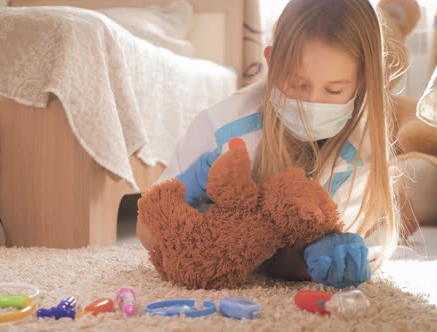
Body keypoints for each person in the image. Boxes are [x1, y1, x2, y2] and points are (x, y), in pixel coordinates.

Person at [137, 0, 403, 288]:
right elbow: (149, 232)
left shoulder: (361, 154)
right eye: (297, 84)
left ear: (362, 81)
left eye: (334, 89)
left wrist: (333, 255)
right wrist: (185, 190)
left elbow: (346, 243)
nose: (310, 103)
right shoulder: (220, 129)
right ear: (271, 61)